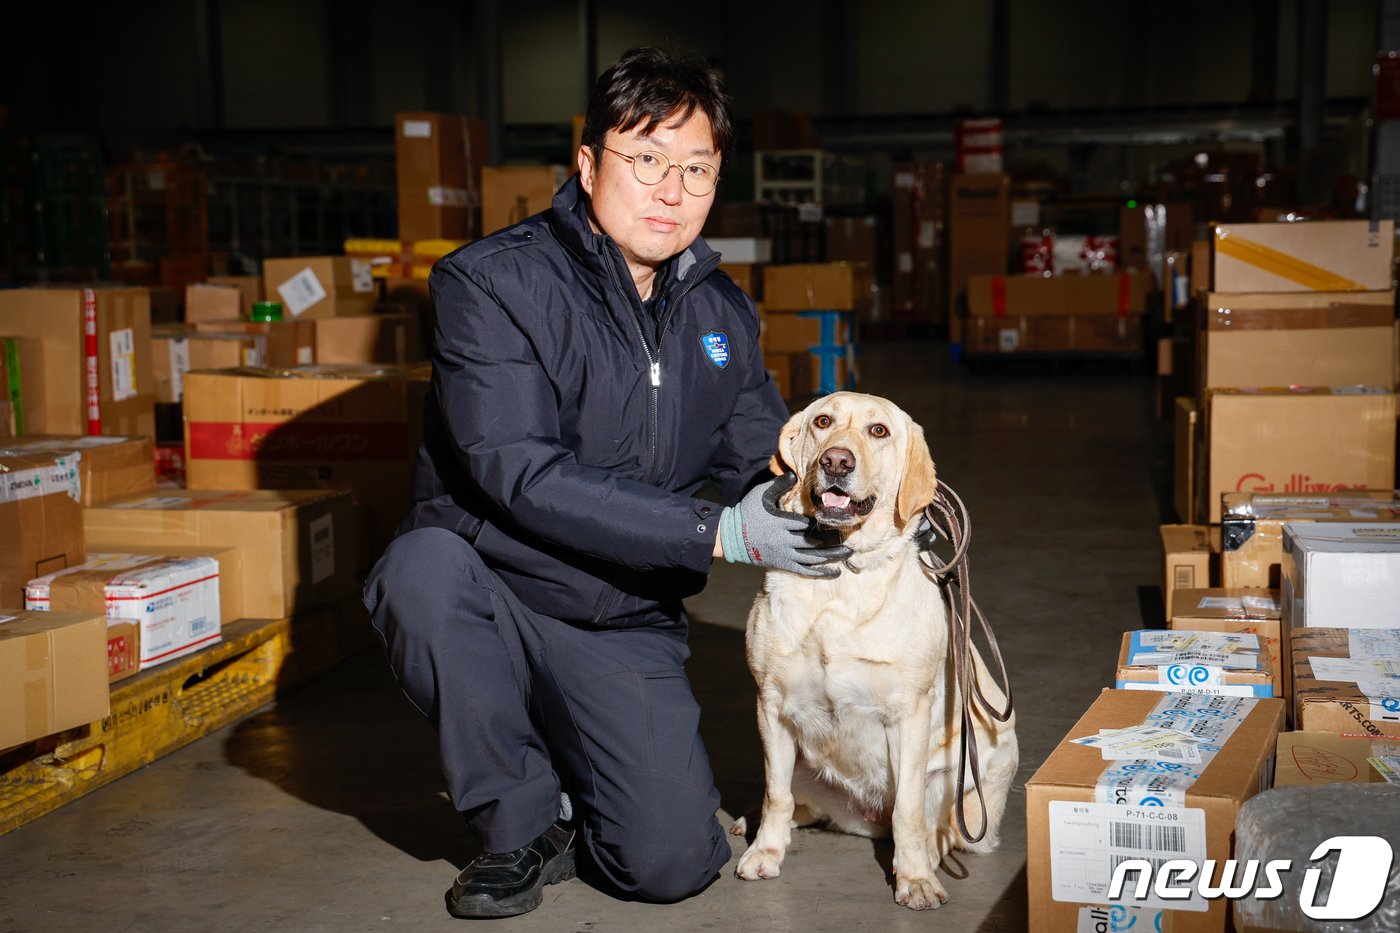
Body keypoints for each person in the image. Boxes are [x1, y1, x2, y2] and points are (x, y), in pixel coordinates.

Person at [363, 46, 851, 920]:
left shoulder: (721, 313)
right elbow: (521, 470)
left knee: (668, 863)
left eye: (696, 169)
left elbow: (760, 458)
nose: (672, 190)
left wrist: (849, 507)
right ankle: (521, 824)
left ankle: (588, 767)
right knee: (419, 573)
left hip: (622, 609)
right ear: (588, 165)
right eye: (647, 159)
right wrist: (719, 532)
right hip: (498, 587)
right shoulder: (491, 283)